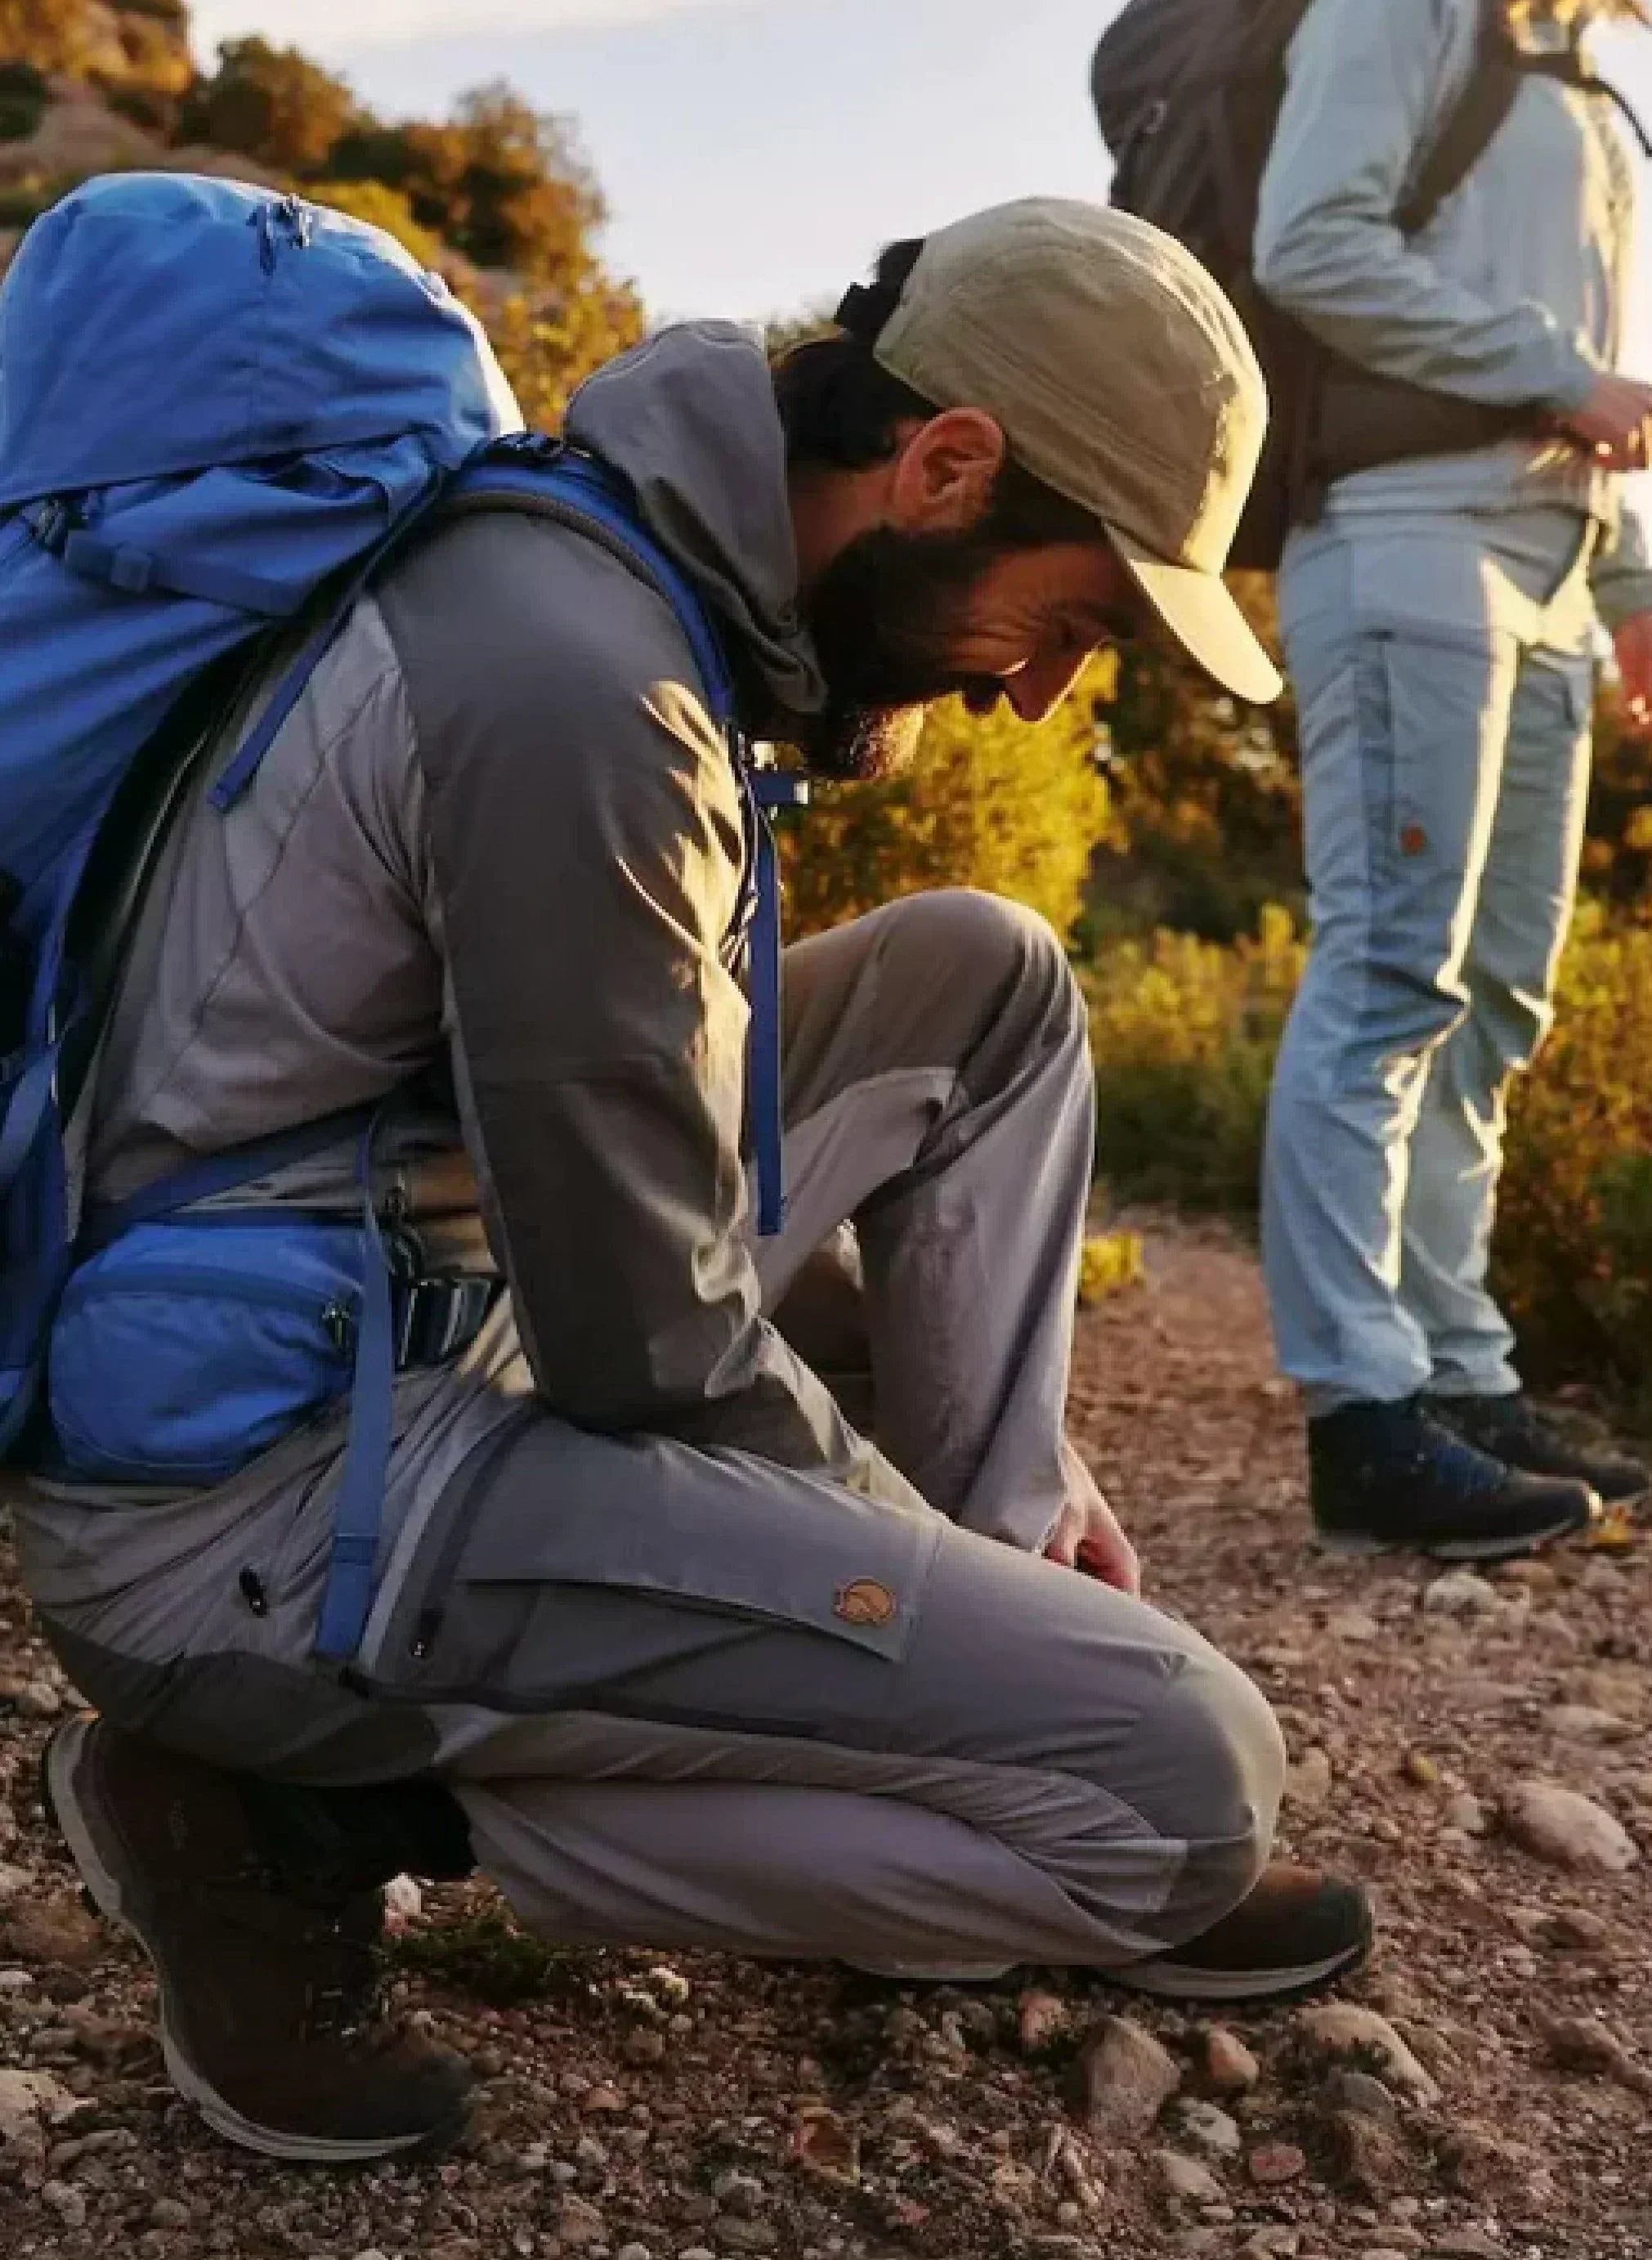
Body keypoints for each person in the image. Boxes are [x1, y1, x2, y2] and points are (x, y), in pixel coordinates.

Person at [21, 198, 1370, 2166]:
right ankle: (272, 1809)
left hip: (399, 1285)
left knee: (987, 977)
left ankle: (1003, 1625)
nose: (1036, 696)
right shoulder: (582, 683)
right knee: (1179, 1783)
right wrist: (945, 1582)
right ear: (946, 465)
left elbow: (635, 1146)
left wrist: (973, 1533)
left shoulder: (630, 575)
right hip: (260, 1500)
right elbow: (651, 1340)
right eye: (1070, 622)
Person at [1253, 0, 1652, 1559]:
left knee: (1499, 985)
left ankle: (1459, 1368)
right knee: (1391, 966)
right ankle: (1362, 1414)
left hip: (1553, 567)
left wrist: (1631, 580)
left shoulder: (1569, 42)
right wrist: (1551, 375)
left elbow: (1573, 358)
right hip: (1406, 537)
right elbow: (1307, 237)